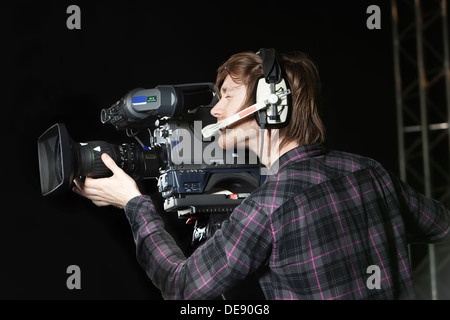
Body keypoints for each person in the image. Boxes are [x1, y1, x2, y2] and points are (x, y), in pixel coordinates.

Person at [72, 50, 450, 300]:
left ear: (272, 103)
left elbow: (183, 286)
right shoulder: (370, 172)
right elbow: (442, 226)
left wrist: (134, 204)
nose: (215, 111)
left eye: (227, 97)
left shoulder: (268, 207)